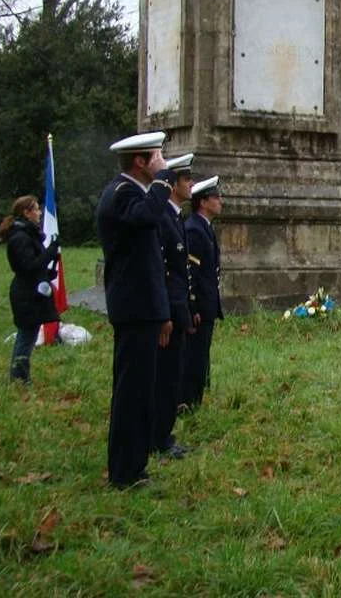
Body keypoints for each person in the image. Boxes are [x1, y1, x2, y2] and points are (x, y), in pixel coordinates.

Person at [96, 131, 176, 489]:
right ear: (140, 162)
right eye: (157, 156)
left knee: (142, 389)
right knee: (131, 391)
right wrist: (163, 182)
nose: (163, 162)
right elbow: (144, 218)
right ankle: (125, 472)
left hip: (143, 307)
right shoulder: (122, 194)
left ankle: (135, 465)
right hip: (134, 308)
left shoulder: (133, 193)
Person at [152, 153, 197, 460]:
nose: (191, 184)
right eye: (186, 179)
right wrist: (166, 313)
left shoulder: (175, 215)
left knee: (172, 375)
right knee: (165, 377)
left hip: (178, 306)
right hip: (167, 310)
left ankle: (163, 433)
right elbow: (162, 269)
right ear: (172, 184)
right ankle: (159, 437)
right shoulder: (163, 217)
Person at [0, 196, 60, 384]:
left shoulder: (27, 235)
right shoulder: (20, 238)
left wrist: (47, 274)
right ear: (26, 212)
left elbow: (33, 267)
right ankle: (18, 377)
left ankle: (21, 375)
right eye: (36, 209)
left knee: (30, 334)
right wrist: (50, 252)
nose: (40, 213)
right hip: (25, 294)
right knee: (26, 336)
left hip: (30, 291)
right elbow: (28, 266)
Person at [181, 176, 224, 410]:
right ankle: (186, 400)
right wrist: (193, 306)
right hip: (199, 306)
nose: (221, 201)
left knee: (201, 353)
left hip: (207, 303)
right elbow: (191, 273)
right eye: (216, 197)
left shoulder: (204, 227)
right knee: (193, 355)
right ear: (203, 202)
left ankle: (195, 396)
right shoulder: (195, 230)